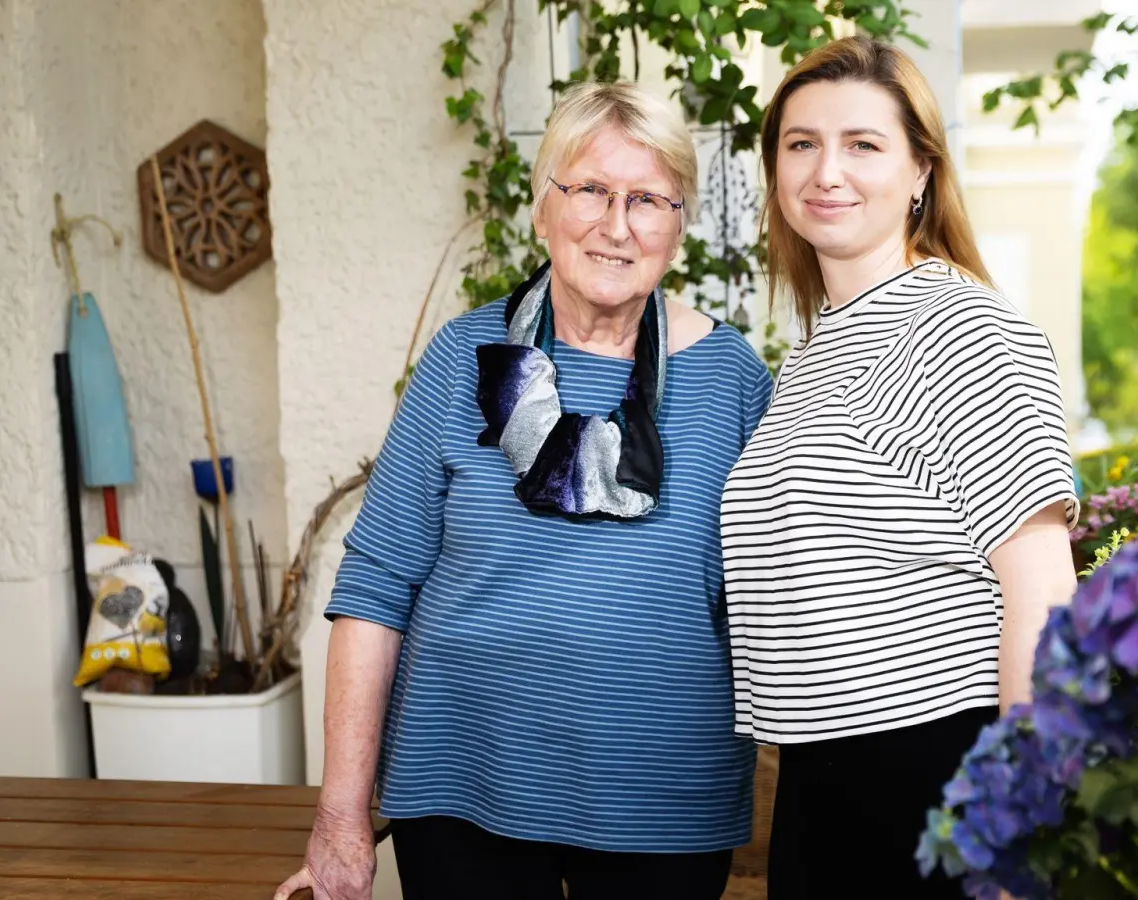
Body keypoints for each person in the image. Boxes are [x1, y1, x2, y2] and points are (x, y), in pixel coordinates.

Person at [274, 81, 772, 900]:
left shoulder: (730, 380)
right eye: (590, 191)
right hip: (461, 789)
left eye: (648, 198)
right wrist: (341, 818)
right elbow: (375, 587)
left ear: (677, 228)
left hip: (664, 805)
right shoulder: (462, 356)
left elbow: (775, 592)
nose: (617, 224)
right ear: (543, 210)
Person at [720, 36, 1081, 898]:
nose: (825, 170)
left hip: (936, 778)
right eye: (801, 143)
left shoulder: (964, 331)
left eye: (863, 144)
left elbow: (1040, 585)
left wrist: (1019, 807)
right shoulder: (813, 353)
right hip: (819, 784)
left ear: (921, 170)